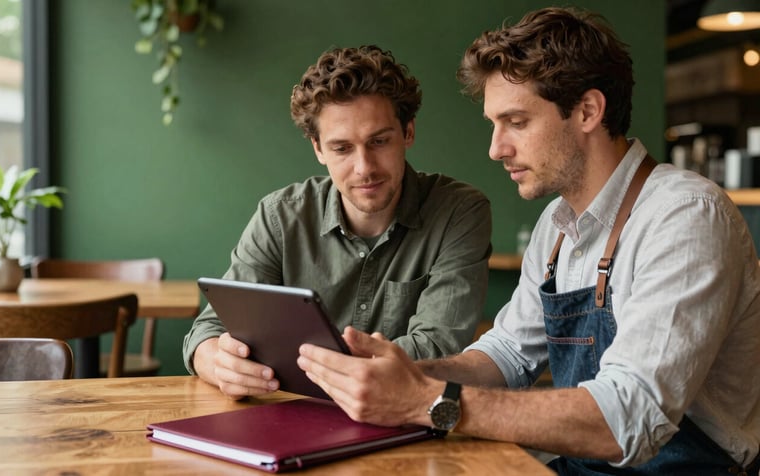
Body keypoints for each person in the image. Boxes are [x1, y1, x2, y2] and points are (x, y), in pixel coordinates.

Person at [297, 7, 760, 475]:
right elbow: (506, 355)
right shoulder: (557, 225)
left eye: (516, 122)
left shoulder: (684, 216)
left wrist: (428, 400)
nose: (496, 148)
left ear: (587, 111)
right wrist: (405, 374)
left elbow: (627, 420)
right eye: (494, 124)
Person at [183, 45, 492, 400]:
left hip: (406, 423)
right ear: (318, 148)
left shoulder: (459, 211)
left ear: (408, 132)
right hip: (292, 417)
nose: (364, 168)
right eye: (342, 148)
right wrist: (219, 362)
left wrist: (303, 366)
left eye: (379, 141)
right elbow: (209, 330)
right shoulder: (279, 216)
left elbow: (437, 346)